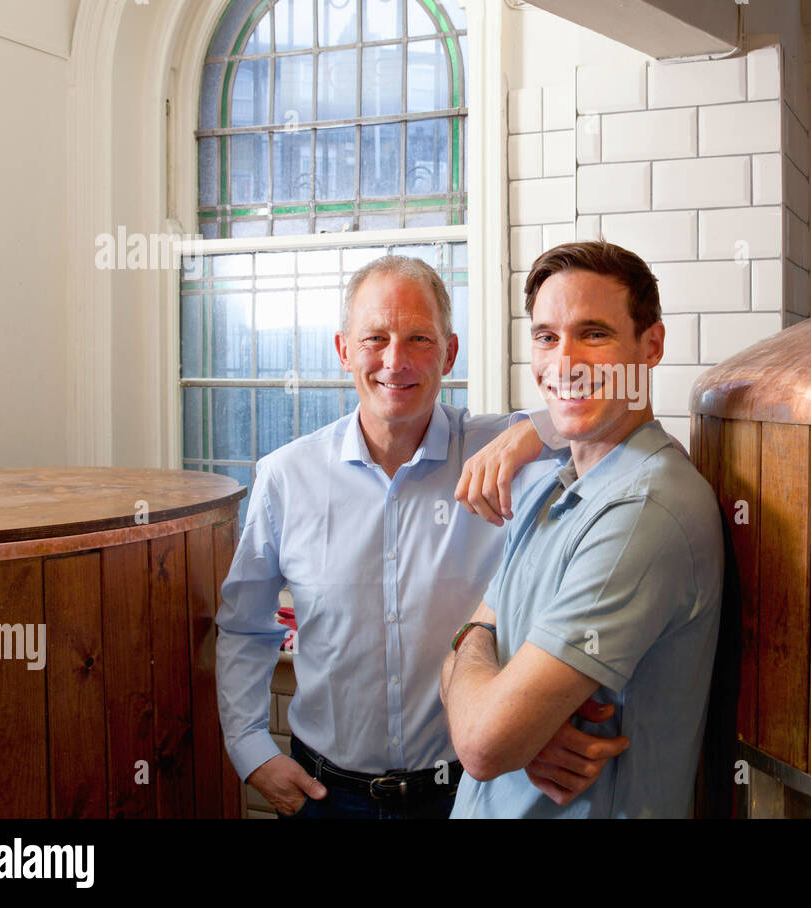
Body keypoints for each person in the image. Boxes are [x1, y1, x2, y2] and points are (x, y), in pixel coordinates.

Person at [216, 255, 626, 819]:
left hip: (468, 793)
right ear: (342, 350)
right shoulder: (285, 477)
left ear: (450, 353)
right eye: (375, 339)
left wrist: (533, 430)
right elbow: (244, 625)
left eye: (418, 339)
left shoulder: (502, 453)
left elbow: (626, 427)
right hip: (326, 798)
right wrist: (250, 750)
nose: (394, 361)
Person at [440, 241, 723, 818]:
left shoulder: (644, 511)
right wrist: (515, 718)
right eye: (546, 336)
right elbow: (476, 646)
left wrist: (484, 682)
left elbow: (482, 743)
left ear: (652, 346)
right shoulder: (553, 484)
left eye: (593, 334)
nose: (563, 361)